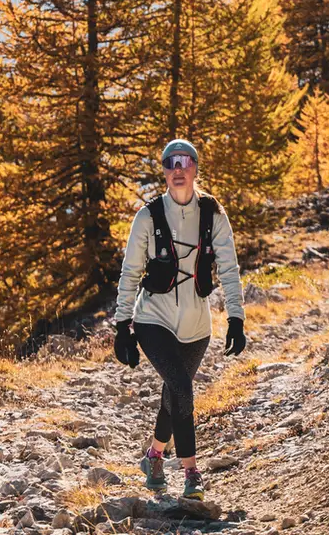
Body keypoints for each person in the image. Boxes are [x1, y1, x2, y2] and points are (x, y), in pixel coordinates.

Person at [110, 138, 247, 501]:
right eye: (171, 163)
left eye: (185, 161)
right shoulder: (148, 216)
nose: (178, 169)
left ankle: (154, 455)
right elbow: (129, 273)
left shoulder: (213, 214)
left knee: (174, 394)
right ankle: (191, 472)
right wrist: (123, 326)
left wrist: (236, 317)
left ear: (196, 168)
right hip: (153, 318)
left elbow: (230, 269)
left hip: (197, 327)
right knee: (183, 389)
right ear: (165, 172)